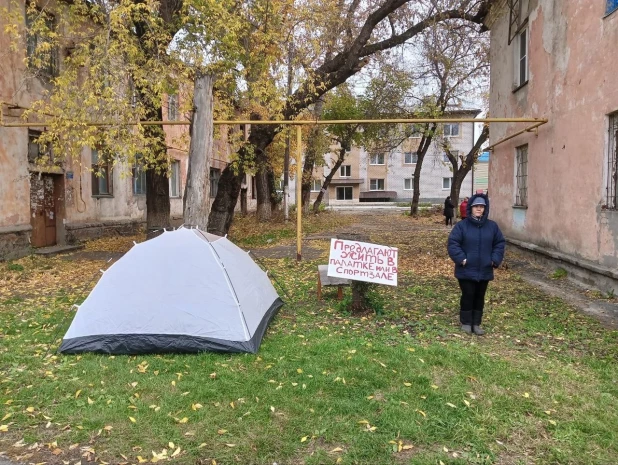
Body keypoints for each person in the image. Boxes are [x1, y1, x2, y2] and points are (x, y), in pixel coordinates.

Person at [447, 194, 505, 335]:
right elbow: (453, 244)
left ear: (485, 208)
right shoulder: (462, 226)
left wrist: (494, 259)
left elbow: (499, 243)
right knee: (468, 294)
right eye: (476, 207)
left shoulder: (492, 226)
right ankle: (466, 322)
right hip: (466, 269)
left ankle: (476, 323)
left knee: (480, 296)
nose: (479, 209)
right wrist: (462, 259)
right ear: (471, 208)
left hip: (484, 269)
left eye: (482, 207)